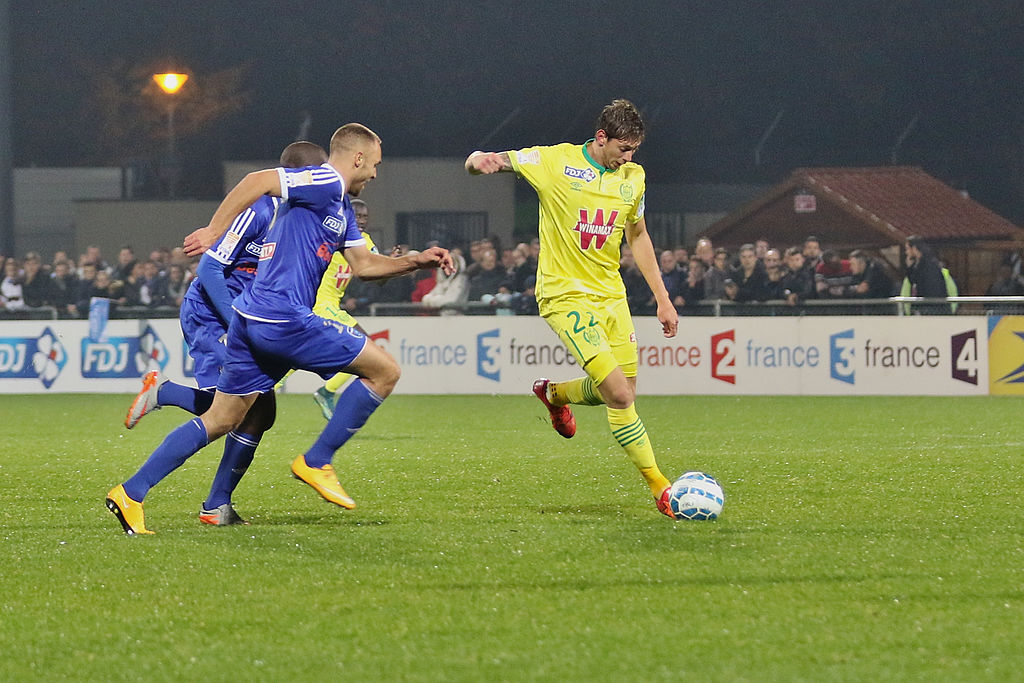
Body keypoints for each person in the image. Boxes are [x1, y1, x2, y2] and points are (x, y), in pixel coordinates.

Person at [106, 123, 453, 535]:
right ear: (357, 158)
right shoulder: (325, 181)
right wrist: (215, 231)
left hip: (254, 319)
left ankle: (130, 493)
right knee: (385, 371)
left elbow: (366, 266)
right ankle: (318, 460)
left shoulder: (340, 209)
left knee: (223, 418)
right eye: (375, 164)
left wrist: (416, 261)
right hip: (282, 315)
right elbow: (258, 180)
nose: (375, 175)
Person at [465, 99, 680, 517]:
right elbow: (491, 161)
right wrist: (478, 161)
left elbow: (638, 235)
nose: (628, 158)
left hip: (611, 296)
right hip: (565, 295)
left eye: (634, 150)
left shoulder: (633, 177)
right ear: (601, 138)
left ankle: (554, 392)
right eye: (623, 149)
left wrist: (663, 297)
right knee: (619, 394)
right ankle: (660, 487)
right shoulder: (555, 162)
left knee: (624, 391)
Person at [122, 142, 331, 526]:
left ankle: (216, 504)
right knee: (233, 410)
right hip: (212, 315)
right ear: (300, 178)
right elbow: (209, 269)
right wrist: (236, 323)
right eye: (320, 174)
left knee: (260, 412)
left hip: (247, 316)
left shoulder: (297, 219)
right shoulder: (258, 210)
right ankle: (141, 488)